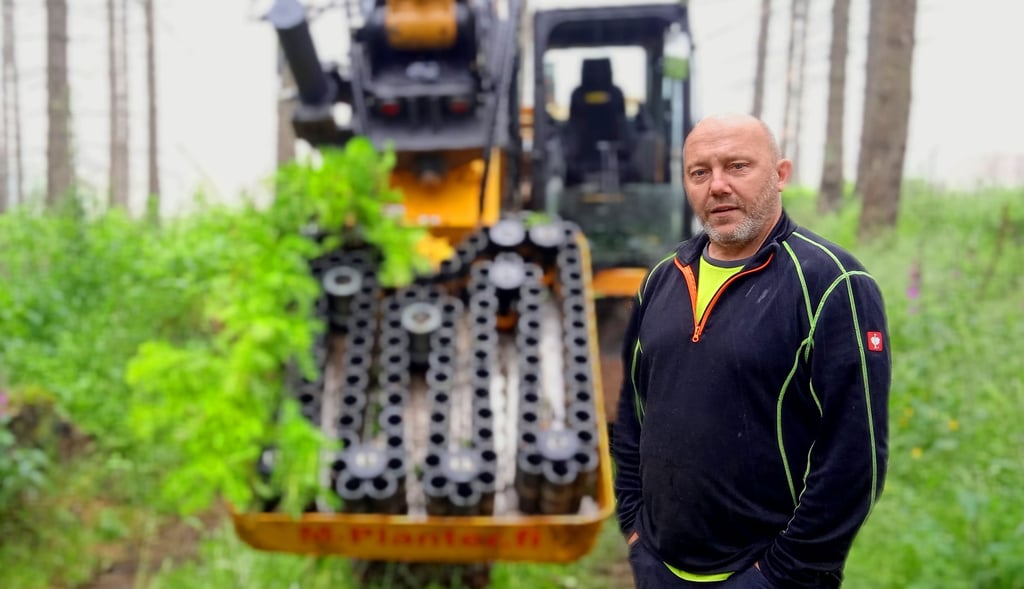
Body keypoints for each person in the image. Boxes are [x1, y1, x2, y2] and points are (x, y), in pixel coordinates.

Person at [612, 113, 890, 589]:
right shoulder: (662, 278)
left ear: (780, 174)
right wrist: (636, 531)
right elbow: (633, 414)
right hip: (659, 567)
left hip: (767, 576)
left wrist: (784, 572)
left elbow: (854, 456)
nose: (717, 186)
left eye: (737, 166)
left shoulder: (832, 283)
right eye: (699, 172)